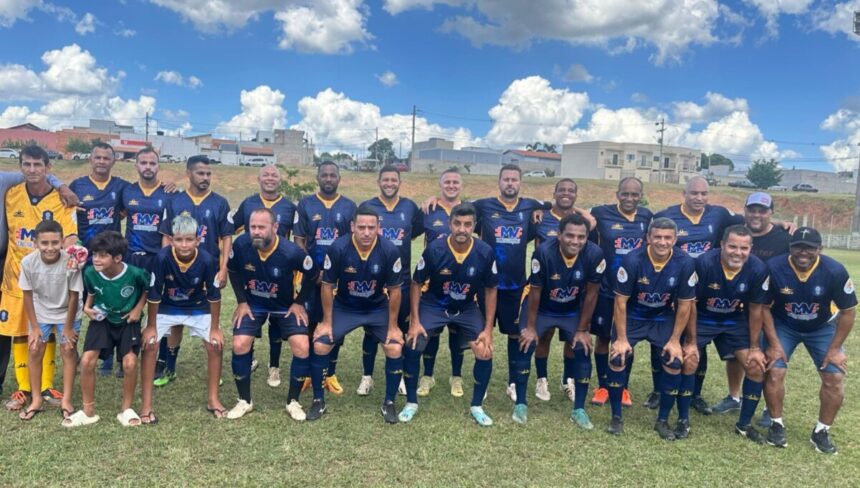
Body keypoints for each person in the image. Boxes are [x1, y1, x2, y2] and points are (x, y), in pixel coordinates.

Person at [400, 203, 497, 426]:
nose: (462, 229)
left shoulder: (484, 251)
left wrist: (488, 329)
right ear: (450, 224)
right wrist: (414, 321)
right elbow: (416, 283)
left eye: (467, 224)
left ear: (474, 226)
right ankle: (411, 402)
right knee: (413, 343)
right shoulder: (435, 249)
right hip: (434, 304)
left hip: (466, 308)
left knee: (484, 350)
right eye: (457, 223)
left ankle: (476, 406)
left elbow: (491, 289)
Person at [763, 227, 856, 454]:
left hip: (821, 327)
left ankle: (821, 431)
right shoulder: (774, 267)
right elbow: (763, 308)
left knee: (834, 376)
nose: (803, 252)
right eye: (798, 247)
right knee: (774, 370)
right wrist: (774, 344)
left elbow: (848, 312)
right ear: (790, 248)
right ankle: (776, 425)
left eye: (810, 248)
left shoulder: (834, 270)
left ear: (819, 249)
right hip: (784, 324)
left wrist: (834, 349)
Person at [308, 205, 404, 423]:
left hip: (377, 307)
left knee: (394, 346)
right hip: (345, 306)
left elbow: (396, 290)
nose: (367, 232)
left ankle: (389, 402)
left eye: (371, 227)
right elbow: (326, 285)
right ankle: (318, 399)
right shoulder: (338, 247)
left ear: (379, 227)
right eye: (361, 227)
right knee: (321, 343)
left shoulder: (389, 250)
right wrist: (326, 322)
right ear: (352, 227)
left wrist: (393, 326)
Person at [2, 145, 78, 411]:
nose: (32, 170)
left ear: (48, 167)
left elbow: (70, 235)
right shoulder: (10, 194)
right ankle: (24, 388)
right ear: (20, 166)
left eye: (38, 165)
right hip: (15, 276)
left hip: (51, 278)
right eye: (27, 164)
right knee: (22, 331)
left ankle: (45, 386)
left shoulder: (61, 198)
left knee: (49, 328)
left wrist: (72, 252)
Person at [607, 217, 697, 439]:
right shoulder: (632, 260)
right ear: (648, 238)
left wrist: (676, 339)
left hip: (661, 317)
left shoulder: (685, 262)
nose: (662, 242)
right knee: (618, 358)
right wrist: (621, 338)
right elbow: (620, 302)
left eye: (668, 238)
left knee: (674, 361)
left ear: (675, 239)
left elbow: (685, 305)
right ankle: (616, 417)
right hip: (634, 316)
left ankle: (663, 420)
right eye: (657, 237)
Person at [226, 208, 316, 420]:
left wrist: (299, 302)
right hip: (254, 304)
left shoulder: (291, 252)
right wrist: (241, 301)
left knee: (302, 345)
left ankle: (293, 401)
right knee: (239, 343)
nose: (256, 232)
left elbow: (313, 274)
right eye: (252, 227)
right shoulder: (240, 245)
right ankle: (244, 401)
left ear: (275, 228)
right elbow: (232, 270)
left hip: (284, 306)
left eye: (261, 227)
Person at [516, 213, 604, 427]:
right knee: (527, 343)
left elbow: (592, 294)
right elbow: (535, 291)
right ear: (559, 235)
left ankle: (579, 409)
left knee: (583, 348)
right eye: (570, 235)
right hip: (543, 307)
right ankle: (520, 403)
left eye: (581, 237)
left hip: (571, 309)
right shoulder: (543, 252)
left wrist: (583, 329)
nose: (575, 241)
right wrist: (530, 327)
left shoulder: (595, 254)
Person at [711, 192, 791, 418]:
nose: (757, 214)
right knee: (735, 354)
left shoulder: (784, 237)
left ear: (771, 213)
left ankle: (768, 406)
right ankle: (734, 396)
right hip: (736, 305)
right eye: (752, 210)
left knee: (764, 355)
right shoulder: (733, 226)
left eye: (763, 211)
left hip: (767, 306)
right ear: (744, 211)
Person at [471, 164, 547, 402]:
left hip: (515, 286)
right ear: (499, 182)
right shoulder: (483, 206)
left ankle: (513, 382)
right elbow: (456, 209)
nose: (510, 183)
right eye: (506, 179)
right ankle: (481, 385)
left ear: (520, 183)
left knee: (515, 335)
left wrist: (542, 209)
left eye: (514, 179)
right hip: (487, 284)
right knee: (483, 333)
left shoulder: (529, 206)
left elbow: (555, 206)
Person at [140, 214, 225, 424]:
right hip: (168, 306)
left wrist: (214, 328)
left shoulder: (207, 260)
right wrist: (151, 326)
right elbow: (154, 293)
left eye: (189, 239)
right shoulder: (162, 258)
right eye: (178, 239)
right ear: (171, 240)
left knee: (216, 345)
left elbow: (214, 295)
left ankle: (213, 399)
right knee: (149, 344)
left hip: (197, 307)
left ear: (198, 240)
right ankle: (146, 406)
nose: (184, 245)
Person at [155, 155, 232, 386]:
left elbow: (227, 237)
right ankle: (169, 367)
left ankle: (214, 371)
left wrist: (224, 267)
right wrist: (165, 263)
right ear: (189, 173)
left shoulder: (220, 202)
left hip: (206, 272)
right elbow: (167, 237)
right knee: (175, 319)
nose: (205, 178)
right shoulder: (175, 201)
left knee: (208, 318)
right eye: (200, 173)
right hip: (177, 272)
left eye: (208, 174)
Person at [691, 225, 773, 442]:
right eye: (733, 246)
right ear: (722, 245)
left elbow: (756, 309)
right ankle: (683, 414)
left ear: (751, 249)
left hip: (734, 321)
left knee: (756, 366)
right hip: (703, 317)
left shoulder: (758, 268)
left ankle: (744, 424)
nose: (738, 252)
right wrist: (690, 340)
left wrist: (755, 347)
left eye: (744, 248)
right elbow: (690, 303)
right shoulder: (704, 263)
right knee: (687, 358)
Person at [65, 231, 149, 427]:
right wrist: (87, 307)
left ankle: (126, 410)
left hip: (127, 320)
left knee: (129, 363)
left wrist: (137, 309)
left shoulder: (135, 273)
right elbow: (93, 292)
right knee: (86, 361)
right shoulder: (90, 273)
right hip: (102, 319)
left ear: (117, 258)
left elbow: (147, 290)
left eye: (103, 255)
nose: (96, 259)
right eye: (95, 254)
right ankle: (88, 411)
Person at [358, 165, 424, 396]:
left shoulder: (409, 206)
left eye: (393, 180)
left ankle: (402, 374)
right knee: (370, 330)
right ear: (378, 181)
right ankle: (367, 376)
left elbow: (414, 232)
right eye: (385, 179)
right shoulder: (368, 206)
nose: (389, 183)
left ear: (399, 183)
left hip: (402, 279)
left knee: (401, 328)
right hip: (373, 279)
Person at [588, 177, 651, 409]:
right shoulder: (601, 213)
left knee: (627, 339)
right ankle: (604, 385)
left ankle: (623, 387)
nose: (629, 198)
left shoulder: (647, 217)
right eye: (625, 194)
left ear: (640, 195)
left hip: (635, 292)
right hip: (607, 289)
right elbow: (580, 217)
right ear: (617, 194)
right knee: (604, 337)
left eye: (634, 194)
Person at [231, 164, 297, 388]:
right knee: (251, 317)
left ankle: (274, 366)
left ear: (281, 180)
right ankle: (249, 359)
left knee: (276, 323)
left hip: (280, 275)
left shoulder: (289, 207)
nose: (270, 178)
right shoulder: (248, 203)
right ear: (258, 178)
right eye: (266, 174)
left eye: (275, 175)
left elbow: (296, 242)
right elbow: (232, 229)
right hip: (253, 271)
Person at [293, 161, 356, 396]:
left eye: (333, 175)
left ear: (339, 179)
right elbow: (299, 241)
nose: (328, 179)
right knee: (309, 322)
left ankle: (330, 373)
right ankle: (310, 372)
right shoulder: (306, 204)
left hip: (339, 278)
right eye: (324, 175)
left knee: (335, 323)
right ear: (317, 178)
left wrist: (335, 274)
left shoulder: (349, 206)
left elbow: (354, 242)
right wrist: (311, 271)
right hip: (312, 276)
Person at [531, 178, 595, 402]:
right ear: (554, 192)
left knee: (571, 338)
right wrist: (542, 207)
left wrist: (585, 216)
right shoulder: (540, 216)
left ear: (576, 195)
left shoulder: (583, 221)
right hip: (546, 286)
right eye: (562, 190)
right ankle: (542, 379)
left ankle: (568, 379)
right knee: (544, 336)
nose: (566, 193)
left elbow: (588, 239)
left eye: (571, 191)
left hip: (572, 288)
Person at [70, 142, 130, 377]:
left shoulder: (121, 187)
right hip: (85, 257)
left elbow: (136, 201)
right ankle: (81, 354)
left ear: (113, 161)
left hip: (111, 258)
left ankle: (114, 356)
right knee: (85, 306)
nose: (102, 161)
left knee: (115, 303)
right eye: (98, 157)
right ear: (90, 159)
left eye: (107, 158)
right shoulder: (78, 185)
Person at [17, 220, 83, 421]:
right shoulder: (28, 262)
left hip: (67, 311)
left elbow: (73, 296)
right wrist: (35, 327)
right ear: (35, 243)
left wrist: (69, 327)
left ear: (62, 242)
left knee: (68, 350)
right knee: (35, 348)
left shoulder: (71, 261)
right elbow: (27, 295)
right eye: (44, 243)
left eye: (55, 242)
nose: (50, 248)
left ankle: (67, 400)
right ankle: (36, 399)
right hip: (41, 310)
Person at [120, 148, 175, 380]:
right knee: (129, 307)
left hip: (157, 258)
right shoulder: (127, 191)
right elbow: (120, 215)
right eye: (143, 162)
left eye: (153, 162)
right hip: (132, 256)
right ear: (136, 165)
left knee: (159, 309)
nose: (148, 167)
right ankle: (126, 355)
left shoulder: (169, 193)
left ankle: (160, 359)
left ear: (158, 166)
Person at [416, 168, 466, 398]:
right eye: (447, 182)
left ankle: (456, 376)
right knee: (432, 331)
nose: (451, 185)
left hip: (462, 279)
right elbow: (409, 232)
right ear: (440, 184)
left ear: (461, 186)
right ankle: (428, 375)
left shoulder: (470, 210)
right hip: (432, 281)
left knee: (457, 331)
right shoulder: (429, 209)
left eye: (456, 182)